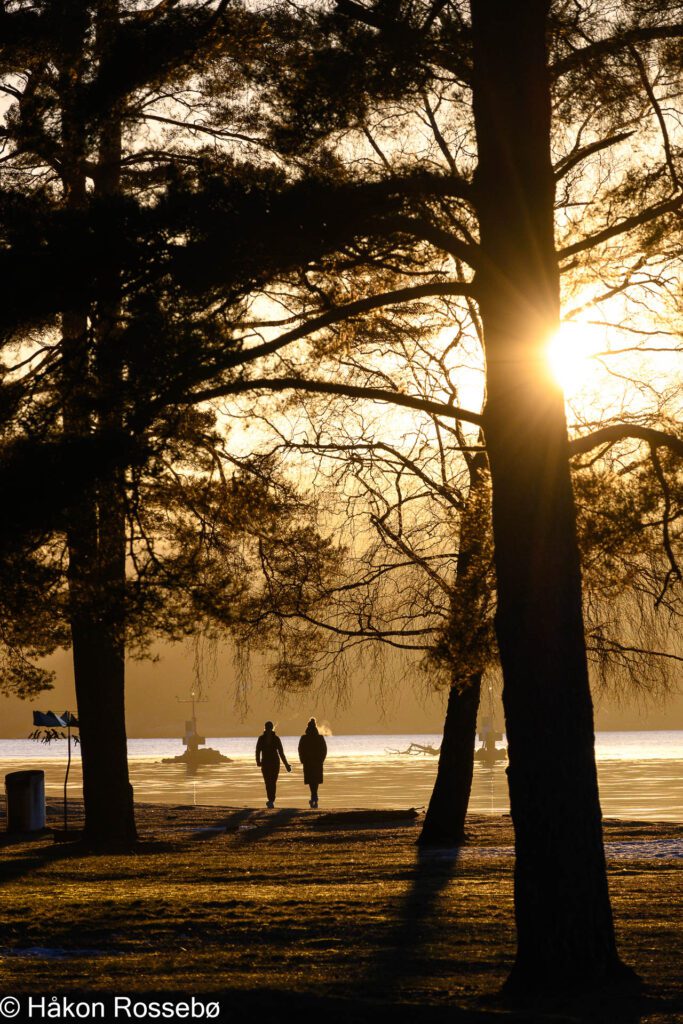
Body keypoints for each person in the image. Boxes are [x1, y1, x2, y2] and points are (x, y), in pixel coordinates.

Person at [255, 721, 291, 808]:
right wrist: (286, 765)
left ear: (265, 727)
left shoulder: (263, 738)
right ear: (272, 728)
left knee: (269, 782)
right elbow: (281, 753)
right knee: (271, 782)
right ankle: (271, 800)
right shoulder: (274, 739)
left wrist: (258, 761)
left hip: (268, 763)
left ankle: (271, 800)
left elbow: (257, 751)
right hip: (272, 763)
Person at [298, 718, 327, 808]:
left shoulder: (304, 738)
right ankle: (314, 795)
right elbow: (324, 750)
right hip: (317, 762)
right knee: (315, 780)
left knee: (311, 780)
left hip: (308, 762)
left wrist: (302, 759)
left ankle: (313, 795)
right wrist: (321, 759)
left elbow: (300, 750)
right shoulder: (319, 737)